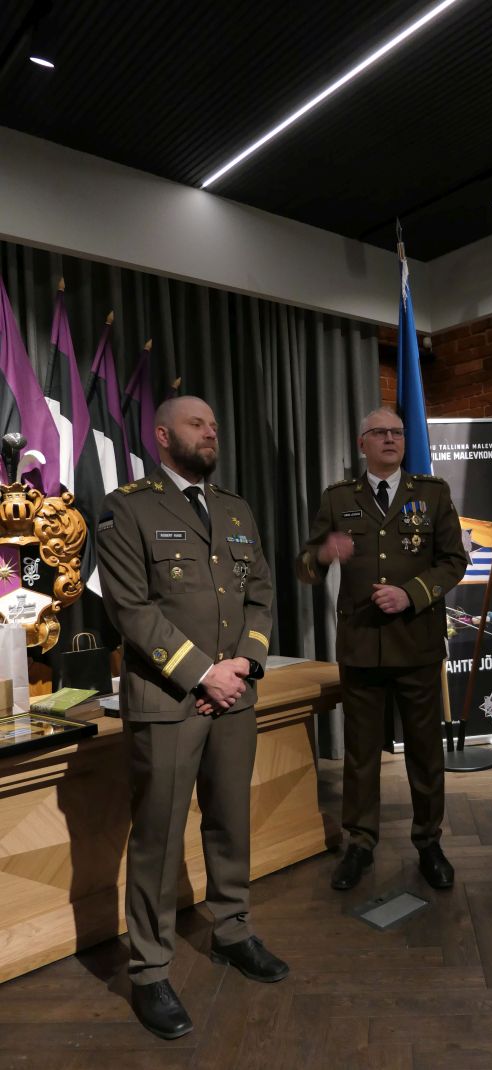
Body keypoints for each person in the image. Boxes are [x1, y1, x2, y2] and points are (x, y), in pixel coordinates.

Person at [96, 396, 288, 1041]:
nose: (211, 432)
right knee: (158, 837)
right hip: (168, 701)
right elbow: (131, 608)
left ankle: (232, 929)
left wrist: (244, 666)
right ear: (161, 435)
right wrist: (204, 673)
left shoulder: (235, 509)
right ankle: (150, 970)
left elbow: (260, 593)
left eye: (214, 424)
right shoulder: (128, 507)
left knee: (231, 821)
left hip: (235, 696)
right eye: (196, 424)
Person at [297, 407, 468, 891]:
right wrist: (322, 554)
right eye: (380, 433)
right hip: (362, 646)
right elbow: (305, 568)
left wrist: (411, 594)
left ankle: (428, 841)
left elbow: (454, 560)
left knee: (425, 751)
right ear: (362, 443)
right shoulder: (338, 498)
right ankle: (360, 842)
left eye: (397, 432)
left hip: (416, 644)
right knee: (360, 754)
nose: (390, 439)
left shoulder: (432, 493)